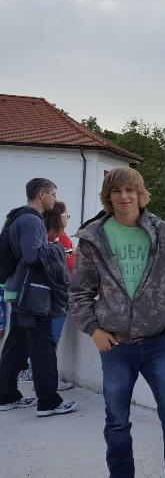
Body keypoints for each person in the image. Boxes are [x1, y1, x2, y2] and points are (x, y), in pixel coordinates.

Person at [69, 167, 165, 477]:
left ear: (141, 193)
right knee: (117, 421)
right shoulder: (93, 237)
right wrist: (94, 329)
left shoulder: (161, 230)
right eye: (116, 191)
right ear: (108, 196)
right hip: (115, 346)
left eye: (130, 190)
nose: (124, 196)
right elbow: (79, 293)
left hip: (159, 342)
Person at [0, 177, 76, 417]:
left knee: (16, 344)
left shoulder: (16, 217)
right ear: (42, 194)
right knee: (43, 345)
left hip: (18, 288)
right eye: (53, 194)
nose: (55, 198)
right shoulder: (33, 221)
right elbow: (33, 256)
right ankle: (48, 402)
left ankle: (6, 395)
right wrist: (58, 249)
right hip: (32, 292)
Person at [44, 201, 74, 391]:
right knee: (51, 339)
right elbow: (69, 270)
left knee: (43, 339)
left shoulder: (43, 236)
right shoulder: (62, 239)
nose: (68, 219)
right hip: (58, 296)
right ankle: (49, 382)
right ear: (58, 216)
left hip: (41, 296)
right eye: (66, 215)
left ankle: (35, 373)